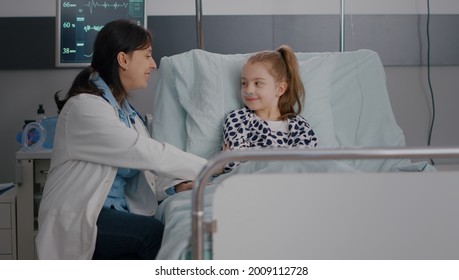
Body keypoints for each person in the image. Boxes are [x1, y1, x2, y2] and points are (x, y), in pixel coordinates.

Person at [36, 19, 207, 260]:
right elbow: (147, 152)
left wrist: (173, 188)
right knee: (151, 235)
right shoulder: (84, 108)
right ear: (123, 60)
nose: (153, 64)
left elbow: (145, 178)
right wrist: (211, 168)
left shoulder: (128, 116)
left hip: (114, 214)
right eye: (147, 56)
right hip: (84, 218)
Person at [222, 45, 317, 172]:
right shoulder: (238, 119)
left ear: (280, 89)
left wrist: (252, 153)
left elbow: (305, 164)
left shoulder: (300, 125)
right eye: (244, 83)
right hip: (252, 182)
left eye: (258, 83)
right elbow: (233, 163)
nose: (248, 90)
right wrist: (285, 154)